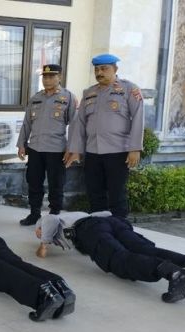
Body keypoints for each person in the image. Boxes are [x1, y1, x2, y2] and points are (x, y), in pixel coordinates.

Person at [36, 212, 185, 303]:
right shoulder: (77, 213)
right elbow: (106, 214)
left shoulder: (48, 220)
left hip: (88, 229)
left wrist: (43, 244)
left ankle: (175, 274)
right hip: (111, 222)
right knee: (146, 250)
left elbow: (49, 219)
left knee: (119, 259)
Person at [64, 54, 144, 218]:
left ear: (115, 69)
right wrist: (76, 149)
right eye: (97, 69)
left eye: (104, 69)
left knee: (117, 195)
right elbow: (79, 122)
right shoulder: (89, 92)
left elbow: (138, 118)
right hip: (93, 152)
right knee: (95, 195)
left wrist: (135, 148)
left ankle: (121, 230)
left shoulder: (129, 89)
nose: (99, 72)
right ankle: (98, 230)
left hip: (117, 152)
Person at [17, 64, 77, 226]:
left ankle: (54, 215)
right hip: (35, 148)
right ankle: (34, 213)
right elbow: (27, 123)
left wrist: (72, 148)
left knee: (56, 184)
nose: (47, 79)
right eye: (45, 76)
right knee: (34, 182)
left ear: (60, 77)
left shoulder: (68, 97)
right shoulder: (36, 97)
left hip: (57, 150)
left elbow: (75, 125)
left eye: (51, 76)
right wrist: (21, 144)